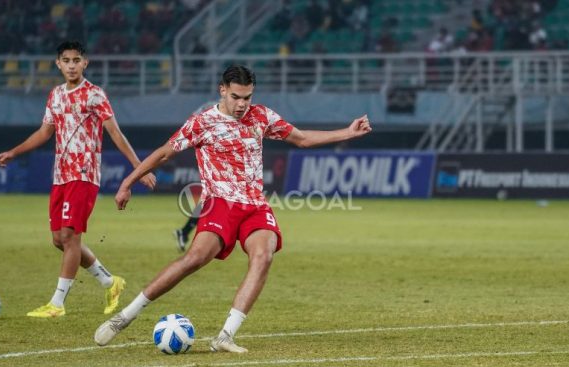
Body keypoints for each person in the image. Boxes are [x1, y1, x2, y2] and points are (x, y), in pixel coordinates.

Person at [94, 65, 372, 352]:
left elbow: (301, 138)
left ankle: (225, 336)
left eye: (247, 97)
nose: (242, 104)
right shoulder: (202, 123)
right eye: (237, 97)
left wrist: (347, 133)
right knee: (195, 259)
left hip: (254, 205)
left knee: (264, 256)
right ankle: (124, 317)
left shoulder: (262, 116)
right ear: (222, 90)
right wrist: (128, 181)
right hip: (219, 204)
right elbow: (165, 152)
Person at [0, 41, 155, 318]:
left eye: (76, 60)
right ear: (58, 64)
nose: (71, 65)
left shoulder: (94, 95)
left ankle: (57, 304)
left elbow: (116, 133)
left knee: (70, 236)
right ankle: (109, 281)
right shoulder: (55, 95)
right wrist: (14, 151)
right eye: (66, 60)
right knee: (59, 239)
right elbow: (45, 132)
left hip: (84, 175)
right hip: (60, 176)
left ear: (85, 63)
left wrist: (139, 168)